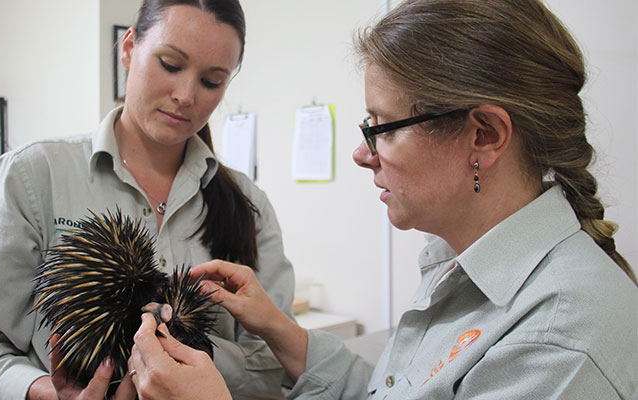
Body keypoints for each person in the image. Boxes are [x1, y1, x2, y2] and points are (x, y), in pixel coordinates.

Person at [122, 0, 638, 398]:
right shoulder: (453, 267)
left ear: (483, 135)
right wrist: (281, 330)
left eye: (383, 129)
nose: (360, 154)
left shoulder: (559, 344)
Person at [0, 1, 295, 399]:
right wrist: (46, 392)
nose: (185, 95)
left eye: (212, 81)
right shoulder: (32, 176)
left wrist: (198, 363)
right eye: (169, 64)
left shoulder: (249, 206)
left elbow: (280, 360)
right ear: (129, 48)